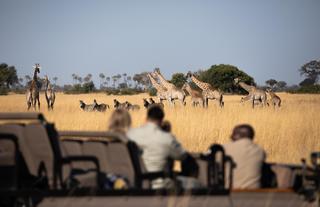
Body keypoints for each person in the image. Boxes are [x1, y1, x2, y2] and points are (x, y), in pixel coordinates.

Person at [128, 105, 200, 189]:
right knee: (197, 184)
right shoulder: (167, 138)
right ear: (162, 120)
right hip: (161, 184)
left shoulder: (131, 134)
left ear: (146, 118)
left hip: (137, 182)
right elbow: (183, 156)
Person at [223, 124, 266, 189]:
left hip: (229, 192)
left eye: (233, 134)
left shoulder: (224, 148)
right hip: (254, 193)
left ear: (239, 135)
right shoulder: (260, 150)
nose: (230, 136)